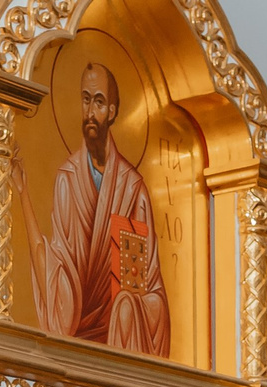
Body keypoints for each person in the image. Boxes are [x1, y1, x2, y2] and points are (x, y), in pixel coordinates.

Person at [27, 62, 171, 356]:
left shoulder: (132, 189)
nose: (91, 112)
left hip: (118, 333)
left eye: (99, 102)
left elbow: (137, 282)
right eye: (86, 100)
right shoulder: (67, 179)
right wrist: (22, 194)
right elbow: (60, 264)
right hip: (75, 327)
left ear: (113, 112)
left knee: (128, 303)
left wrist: (127, 306)